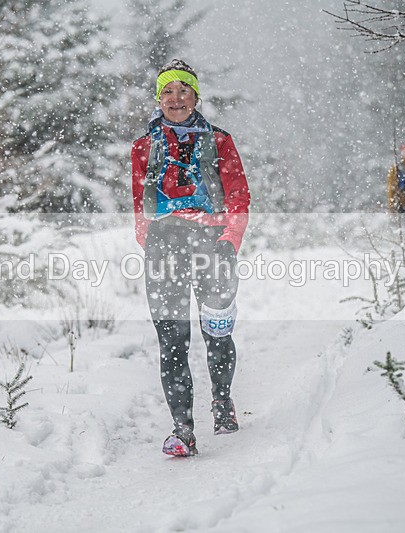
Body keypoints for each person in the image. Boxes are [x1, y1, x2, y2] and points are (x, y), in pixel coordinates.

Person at [130, 59, 250, 457]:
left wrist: (230, 240)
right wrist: (150, 244)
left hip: (214, 241)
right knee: (172, 339)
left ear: (196, 96)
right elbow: (137, 202)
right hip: (165, 245)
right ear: (158, 98)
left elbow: (238, 194)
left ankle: (221, 400)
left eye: (183, 90)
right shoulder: (143, 146)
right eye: (167, 91)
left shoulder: (219, 140)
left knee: (216, 330)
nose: (175, 98)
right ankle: (183, 430)